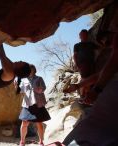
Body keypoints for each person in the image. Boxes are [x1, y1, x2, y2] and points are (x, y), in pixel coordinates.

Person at [63, 1, 118, 145]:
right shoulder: (79, 45)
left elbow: (111, 64)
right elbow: (105, 71)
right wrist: (79, 85)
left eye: (108, 39)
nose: (108, 43)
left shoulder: (93, 45)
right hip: (84, 67)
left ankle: (87, 98)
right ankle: (86, 97)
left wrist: (97, 89)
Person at [18, 65, 51, 146]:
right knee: (24, 123)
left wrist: (38, 89)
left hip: (38, 104)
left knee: (39, 124)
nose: (29, 71)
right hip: (27, 104)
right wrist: (17, 86)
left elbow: (43, 88)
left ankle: (41, 141)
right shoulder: (23, 80)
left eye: (31, 70)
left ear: (34, 70)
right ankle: (22, 141)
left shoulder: (39, 78)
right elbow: (20, 90)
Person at [73, 29, 99, 103]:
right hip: (82, 64)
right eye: (82, 34)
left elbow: (100, 48)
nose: (84, 36)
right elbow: (75, 55)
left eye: (85, 34)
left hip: (92, 63)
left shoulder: (91, 44)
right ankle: (82, 96)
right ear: (80, 36)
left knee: (92, 80)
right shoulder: (77, 45)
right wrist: (77, 64)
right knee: (84, 79)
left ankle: (90, 97)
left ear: (87, 35)